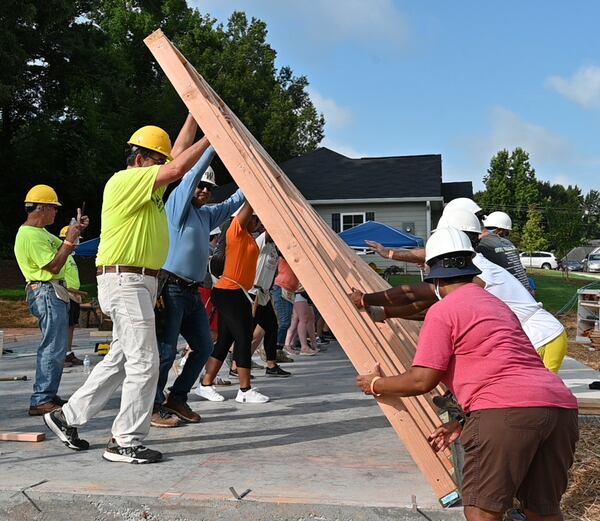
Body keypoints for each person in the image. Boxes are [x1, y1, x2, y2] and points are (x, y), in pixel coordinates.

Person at [356, 227, 578, 521]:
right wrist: (464, 421)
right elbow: (500, 367)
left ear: (433, 277)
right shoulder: (497, 306)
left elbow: (422, 379)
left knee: (482, 511)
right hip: (559, 408)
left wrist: (375, 384)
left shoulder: (444, 310)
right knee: (542, 510)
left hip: (506, 409)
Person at [44, 121, 210, 464]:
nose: (162, 169)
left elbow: (176, 158)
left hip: (136, 282)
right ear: (138, 159)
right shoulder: (125, 180)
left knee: (120, 359)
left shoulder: (146, 188)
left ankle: (67, 416)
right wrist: (215, 135)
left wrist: (194, 118)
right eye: (155, 161)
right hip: (127, 281)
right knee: (145, 361)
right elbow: (178, 166)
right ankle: (124, 440)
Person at [359, 208, 568, 373]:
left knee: (532, 403)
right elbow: (428, 300)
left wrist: (366, 300)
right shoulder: (470, 263)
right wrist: (391, 255)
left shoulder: (475, 273)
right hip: (530, 336)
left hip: (540, 338)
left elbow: (414, 294)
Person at [152, 114, 244, 428]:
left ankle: (177, 398)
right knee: (165, 353)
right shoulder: (178, 207)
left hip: (191, 291)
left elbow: (234, 202)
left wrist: (253, 174)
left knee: (204, 347)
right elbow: (187, 177)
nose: (204, 191)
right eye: (201, 186)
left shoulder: (205, 217)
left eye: (209, 188)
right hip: (171, 288)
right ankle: (153, 407)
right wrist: (212, 145)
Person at [14, 185, 89, 415]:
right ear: (43, 208)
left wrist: (75, 232)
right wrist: (68, 241)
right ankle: (41, 398)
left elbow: (65, 251)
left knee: (56, 347)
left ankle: (47, 394)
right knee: (52, 346)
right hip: (45, 291)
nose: (56, 213)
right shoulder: (28, 234)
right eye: (54, 208)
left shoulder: (42, 234)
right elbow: (55, 265)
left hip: (52, 291)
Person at [197, 203, 269, 403]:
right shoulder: (235, 232)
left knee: (225, 341)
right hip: (230, 292)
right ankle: (245, 391)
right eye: (253, 218)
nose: (256, 221)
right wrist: (252, 194)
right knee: (243, 338)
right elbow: (248, 208)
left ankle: (205, 384)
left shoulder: (250, 238)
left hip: (239, 293)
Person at [478, 211, 530, 291]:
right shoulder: (509, 243)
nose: (505, 236)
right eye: (507, 233)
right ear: (501, 230)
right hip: (526, 291)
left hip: (510, 293)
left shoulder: (483, 244)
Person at [59, 225, 86, 367]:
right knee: (65, 325)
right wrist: (68, 292)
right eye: (76, 239)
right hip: (67, 294)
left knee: (71, 325)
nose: (77, 243)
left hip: (74, 295)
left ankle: (68, 353)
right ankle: (62, 355)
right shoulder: (62, 255)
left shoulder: (70, 257)